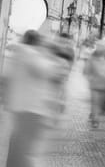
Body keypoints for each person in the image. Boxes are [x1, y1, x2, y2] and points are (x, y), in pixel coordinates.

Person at [5, 30, 68, 167]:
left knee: (18, 145)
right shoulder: (29, 55)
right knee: (24, 151)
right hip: (31, 109)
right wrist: (51, 53)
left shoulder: (17, 54)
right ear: (36, 43)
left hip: (21, 107)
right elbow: (51, 71)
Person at [83, 47, 105, 128]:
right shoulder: (91, 60)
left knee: (100, 104)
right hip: (95, 86)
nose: (102, 54)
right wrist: (91, 79)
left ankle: (94, 114)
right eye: (100, 52)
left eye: (103, 52)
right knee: (95, 103)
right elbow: (86, 71)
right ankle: (95, 120)